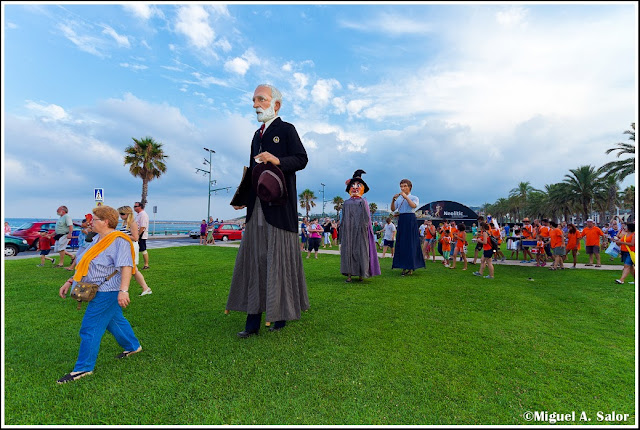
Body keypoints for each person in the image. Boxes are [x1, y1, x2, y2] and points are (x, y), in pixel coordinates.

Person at [226, 83, 309, 337]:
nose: (255, 105)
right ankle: (252, 322)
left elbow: (302, 159)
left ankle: (280, 315)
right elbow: (253, 173)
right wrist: (242, 198)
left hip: (280, 210)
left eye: (260, 99)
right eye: (253, 100)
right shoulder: (256, 136)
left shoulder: (286, 129)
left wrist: (278, 160)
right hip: (256, 210)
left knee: (278, 261)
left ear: (276, 104)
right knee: (255, 260)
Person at [56, 205, 141, 384]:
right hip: (94, 288)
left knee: (90, 327)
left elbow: (127, 266)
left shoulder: (119, 241)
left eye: (94, 219)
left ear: (106, 221)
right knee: (114, 321)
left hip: (107, 291)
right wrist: (70, 280)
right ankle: (133, 346)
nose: (90, 222)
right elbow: (85, 264)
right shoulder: (96, 239)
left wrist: (123, 291)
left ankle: (84, 368)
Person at [339, 170, 381, 283]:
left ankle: (361, 274)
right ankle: (349, 274)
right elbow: (343, 219)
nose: (355, 187)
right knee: (348, 251)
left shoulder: (363, 202)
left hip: (361, 232)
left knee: (361, 251)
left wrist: (363, 229)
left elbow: (366, 219)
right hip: (348, 232)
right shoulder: (346, 203)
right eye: (352, 185)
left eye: (358, 185)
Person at [390, 179, 425, 276]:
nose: (402, 188)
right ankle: (403, 266)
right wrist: (393, 200)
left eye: (405, 186)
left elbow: (413, 206)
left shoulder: (414, 197)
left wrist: (406, 197)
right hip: (402, 219)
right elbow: (393, 209)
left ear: (409, 187)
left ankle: (411, 266)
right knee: (401, 243)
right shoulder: (399, 199)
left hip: (410, 219)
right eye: (401, 186)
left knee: (411, 243)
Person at [118, 206, 152, 296]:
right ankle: (145, 288)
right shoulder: (125, 223)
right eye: (120, 214)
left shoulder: (132, 223)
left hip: (131, 247)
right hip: (126, 247)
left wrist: (121, 235)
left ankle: (144, 288)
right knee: (131, 269)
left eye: (122, 214)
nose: (120, 216)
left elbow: (135, 238)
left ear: (127, 214)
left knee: (132, 269)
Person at [133, 202, 150, 269]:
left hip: (142, 235)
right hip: (138, 234)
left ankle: (146, 264)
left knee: (143, 249)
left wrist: (138, 235)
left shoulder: (143, 215)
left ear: (140, 207)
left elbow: (142, 227)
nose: (134, 207)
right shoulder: (138, 215)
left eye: (135, 206)